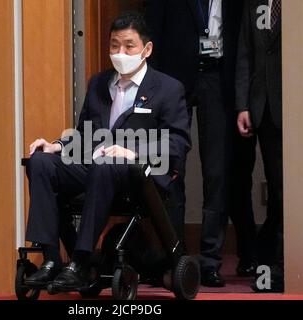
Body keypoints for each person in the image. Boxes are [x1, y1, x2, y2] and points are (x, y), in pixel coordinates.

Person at [24, 12, 190, 291]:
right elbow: (85, 134)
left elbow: (178, 143)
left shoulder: (168, 88)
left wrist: (132, 151)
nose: (120, 53)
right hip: (97, 167)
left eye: (129, 46)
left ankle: (81, 261)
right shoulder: (99, 83)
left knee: (105, 164)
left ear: (146, 50)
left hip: (139, 174)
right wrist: (58, 146)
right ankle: (51, 260)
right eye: (114, 46)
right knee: (41, 162)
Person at [146, 0, 257, 287]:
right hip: (174, 79)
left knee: (217, 173)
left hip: (219, 79)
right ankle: (176, 256)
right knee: (172, 169)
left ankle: (210, 260)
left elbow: (244, 37)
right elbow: (153, 32)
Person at [236, 0, 283, 292]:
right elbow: (245, 55)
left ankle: (278, 261)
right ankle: (273, 264)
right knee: (278, 187)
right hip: (264, 109)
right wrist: (242, 105)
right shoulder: (253, 3)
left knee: (291, 191)